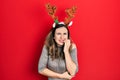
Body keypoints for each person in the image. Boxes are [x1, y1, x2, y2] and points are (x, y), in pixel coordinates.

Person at [38, 3, 78, 80]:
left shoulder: (72, 47)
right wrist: (61, 76)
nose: (62, 37)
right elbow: (41, 69)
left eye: (65, 34)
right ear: (53, 36)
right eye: (59, 33)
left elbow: (73, 72)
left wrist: (66, 51)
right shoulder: (47, 46)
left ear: (68, 36)